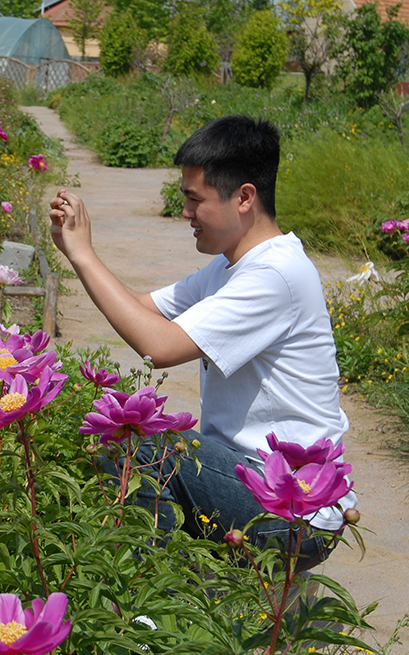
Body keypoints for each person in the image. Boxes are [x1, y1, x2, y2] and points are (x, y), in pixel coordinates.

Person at [50, 115, 355, 569]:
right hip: (250, 483)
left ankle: (148, 617)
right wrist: (77, 255)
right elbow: (141, 308)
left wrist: (84, 253)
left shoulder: (274, 275)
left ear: (244, 197)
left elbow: (160, 347)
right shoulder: (233, 266)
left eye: (195, 201)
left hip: (296, 513)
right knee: (137, 439)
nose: (186, 214)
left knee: (140, 445)